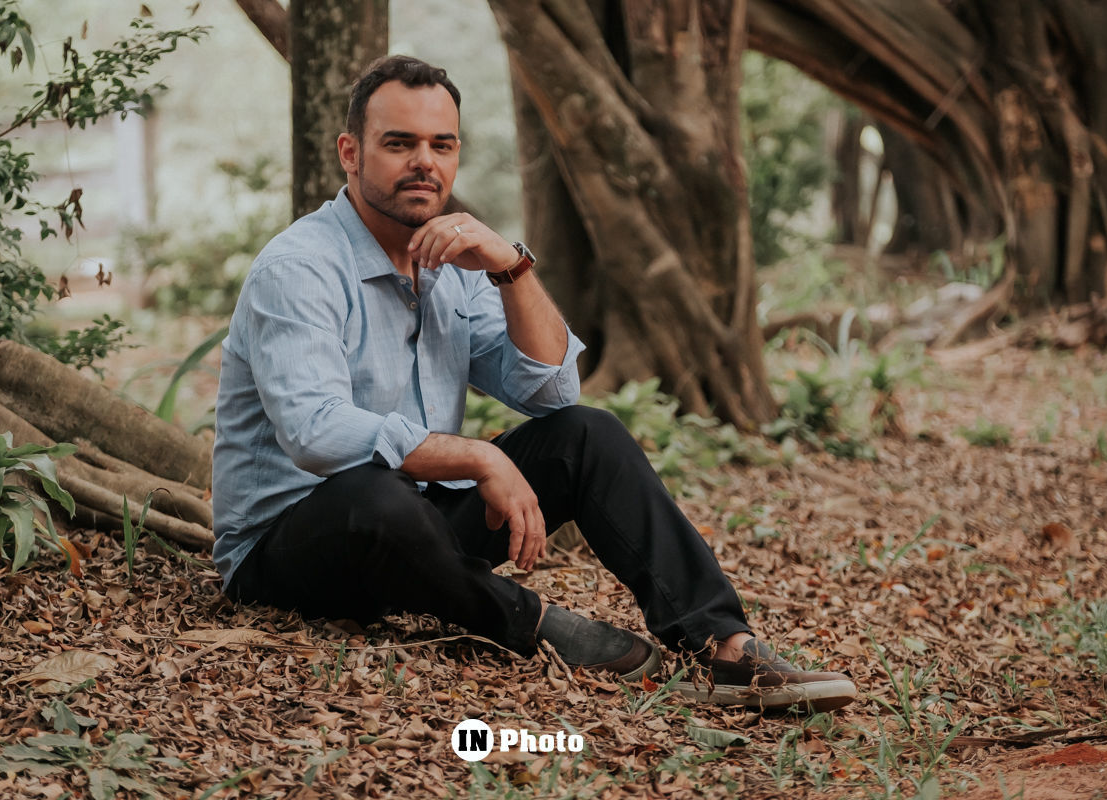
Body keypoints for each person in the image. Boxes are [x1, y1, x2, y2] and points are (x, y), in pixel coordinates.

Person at [212, 55, 856, 713]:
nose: (424, 163)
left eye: (442, 144)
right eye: (399, 143)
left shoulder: (454, 266)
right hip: (291, 548)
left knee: (588, 436)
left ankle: (726, 646)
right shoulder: (299, 269)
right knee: (376, 496)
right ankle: (532, 621)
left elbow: (553, 394)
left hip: (415, 530)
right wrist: (478, 455)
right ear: (350, 152)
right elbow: (315, 432)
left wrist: (511, 268)